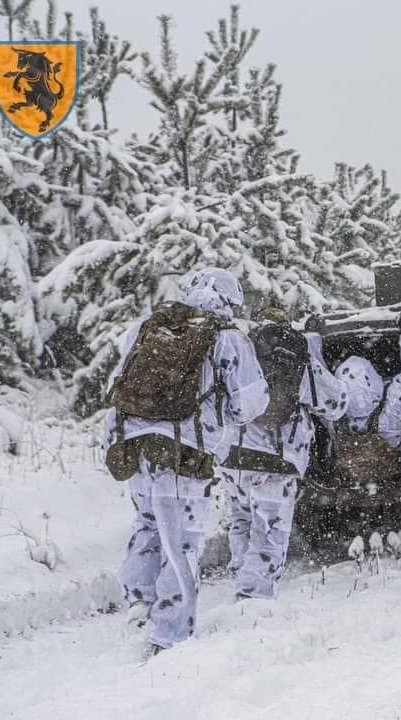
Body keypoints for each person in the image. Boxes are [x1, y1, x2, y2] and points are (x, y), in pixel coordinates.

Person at [104, 268, 269, 653]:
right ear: (229, 300)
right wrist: (222, 414)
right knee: (182, 544)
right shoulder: (227, 339)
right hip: (184, 453)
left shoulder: (146, 329)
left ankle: (139, 604)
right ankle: (170, 635)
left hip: (136, 447)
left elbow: (115, 387)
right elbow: (251, 402)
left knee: (147, 525)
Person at [218, 308, 348, 600]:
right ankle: (252, 597)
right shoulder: (294, 357)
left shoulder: (239, 350)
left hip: (232, 456)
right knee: (270, 530)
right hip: (274, 460)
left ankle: (241, 577)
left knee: (242, 520)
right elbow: (335, 403)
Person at [332, 310, 401, 476]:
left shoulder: (335, 415)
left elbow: (315, 386)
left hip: (352, 485)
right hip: (398, 475)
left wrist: (311, 339)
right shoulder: (391, 407)